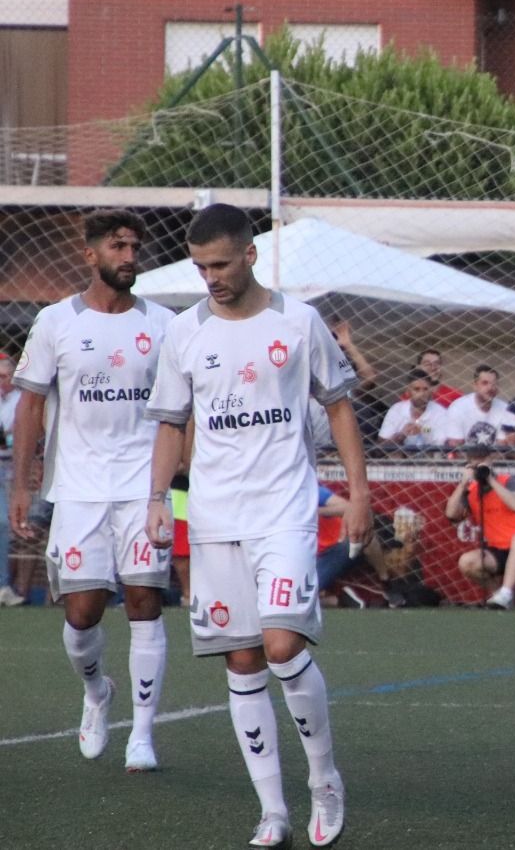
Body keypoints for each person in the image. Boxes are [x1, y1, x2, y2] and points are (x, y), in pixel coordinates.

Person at [143, 202, 372, 848]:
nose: (210, 277)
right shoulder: (184, 332)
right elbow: (169, 420)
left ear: (250, 255)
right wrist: (156, 497)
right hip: (215, 519)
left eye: (219, 264)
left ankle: (323, 778)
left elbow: (340, 407)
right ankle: (272, 811)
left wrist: (358, 493)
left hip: (284, 512)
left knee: (281, 648)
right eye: (199, 267)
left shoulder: (299, 322)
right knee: (240, 662)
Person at [5, 210, 176, 769]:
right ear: (91, 255)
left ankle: (143, 736)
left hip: (141, 489)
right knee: (81, 613)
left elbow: (182, 407)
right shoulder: (56, 321)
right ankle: (98, 692)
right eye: (117, 246)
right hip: (76, 490)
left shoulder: (165, 324)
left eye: (134, 246)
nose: (129, 256)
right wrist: (24, 485)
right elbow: (30, 403)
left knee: (144, 601)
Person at [444, 423, 515, 609]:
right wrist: (462, 485)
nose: (478, 463)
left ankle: (506, 593)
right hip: (499, 549)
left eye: (482, 458)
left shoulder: (508, 480)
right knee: (467, 562)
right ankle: (500, 596)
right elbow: (451, 514)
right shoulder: (471, 490)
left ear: (491, 459)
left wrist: (490, 479)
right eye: (474, 459)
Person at [443, 365, 515, 448]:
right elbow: (455, 446)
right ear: (475, 385)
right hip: (464, 459)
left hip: (495, 459)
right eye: (485, 383)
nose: (490, 388)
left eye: (494, 384)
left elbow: (504, 447)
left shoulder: (505, 409)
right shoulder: (458, 407)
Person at [0, 351, 23, 606]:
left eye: (6, 376)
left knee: (4, 524)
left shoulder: (19, 400)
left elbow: (19, 438)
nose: (2, 382)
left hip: (12, 469)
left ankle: (4, 585)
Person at [379, 368, 450, 450]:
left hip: (430, 458)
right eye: (417, 389)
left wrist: (424, 430)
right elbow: (382, 443)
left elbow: (443, 445)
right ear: (408, 392)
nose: (422, 394)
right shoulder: (396, 409)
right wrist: (402, 435)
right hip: (400, 458)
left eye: (425, 389)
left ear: (431, 392)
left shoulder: (440, 412)